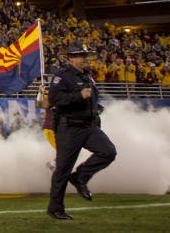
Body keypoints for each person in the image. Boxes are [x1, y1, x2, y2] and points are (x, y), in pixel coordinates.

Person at [46, 42, 117, 220]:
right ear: (70, 58)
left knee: (108, 151)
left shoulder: (87, 76)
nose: (85, 58)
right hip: (69, 127)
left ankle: (80, 177)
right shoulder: (62, 76)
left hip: (89, 125)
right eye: (81, 55)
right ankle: (56, 208)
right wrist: (78, 96)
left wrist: (95, 110)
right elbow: (54, 99)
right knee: (62, 169)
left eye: (85, 55)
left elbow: (90, 97)